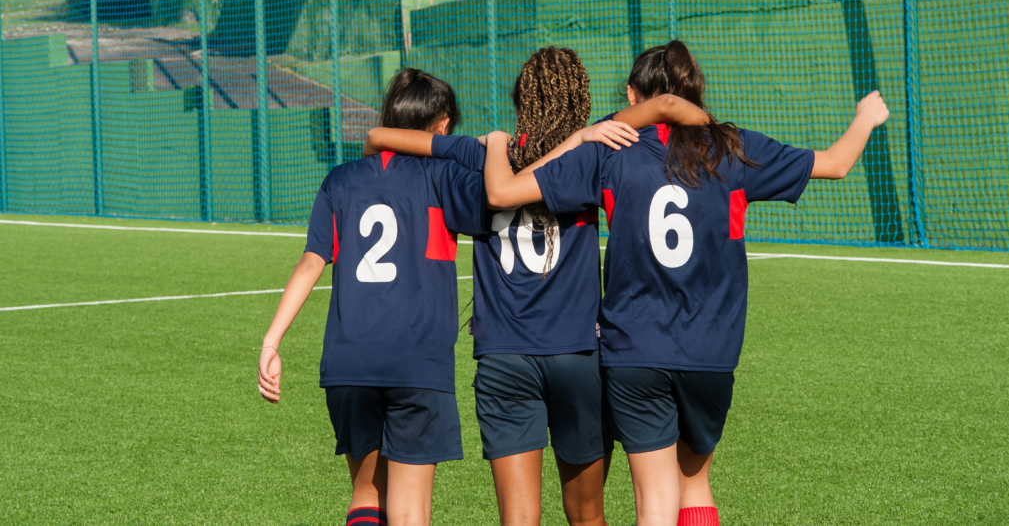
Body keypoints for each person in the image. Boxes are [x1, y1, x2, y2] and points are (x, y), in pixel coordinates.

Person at [481, 41, 891, 526]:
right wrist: (866, 117)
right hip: (710, 350)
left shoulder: (611, 149)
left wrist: (578, 135)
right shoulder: (732, 147)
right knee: (694, 482)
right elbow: (837, 163)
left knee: (654, 498)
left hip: (633, 350)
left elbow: (505, 192)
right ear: (698, 91)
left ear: (633, 95)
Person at [362, 46, 708, 526]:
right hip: (577, 355)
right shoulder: (594, 154)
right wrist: (592, 133)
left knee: (519, 519)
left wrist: (480, 143)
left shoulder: (484, 154)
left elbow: (380, 136)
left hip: (503, 359)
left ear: (520, 99)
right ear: (581, 101)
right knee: (587, 515)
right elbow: (664, 106)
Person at [257, 68, 488, 526]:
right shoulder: (443, 177)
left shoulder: (340, 181)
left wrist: (271, 341)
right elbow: (495, 191)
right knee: (409, 511)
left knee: (365, 495)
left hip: (349, 363)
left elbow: (310, 262)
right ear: (441, 125)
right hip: (417, 361)